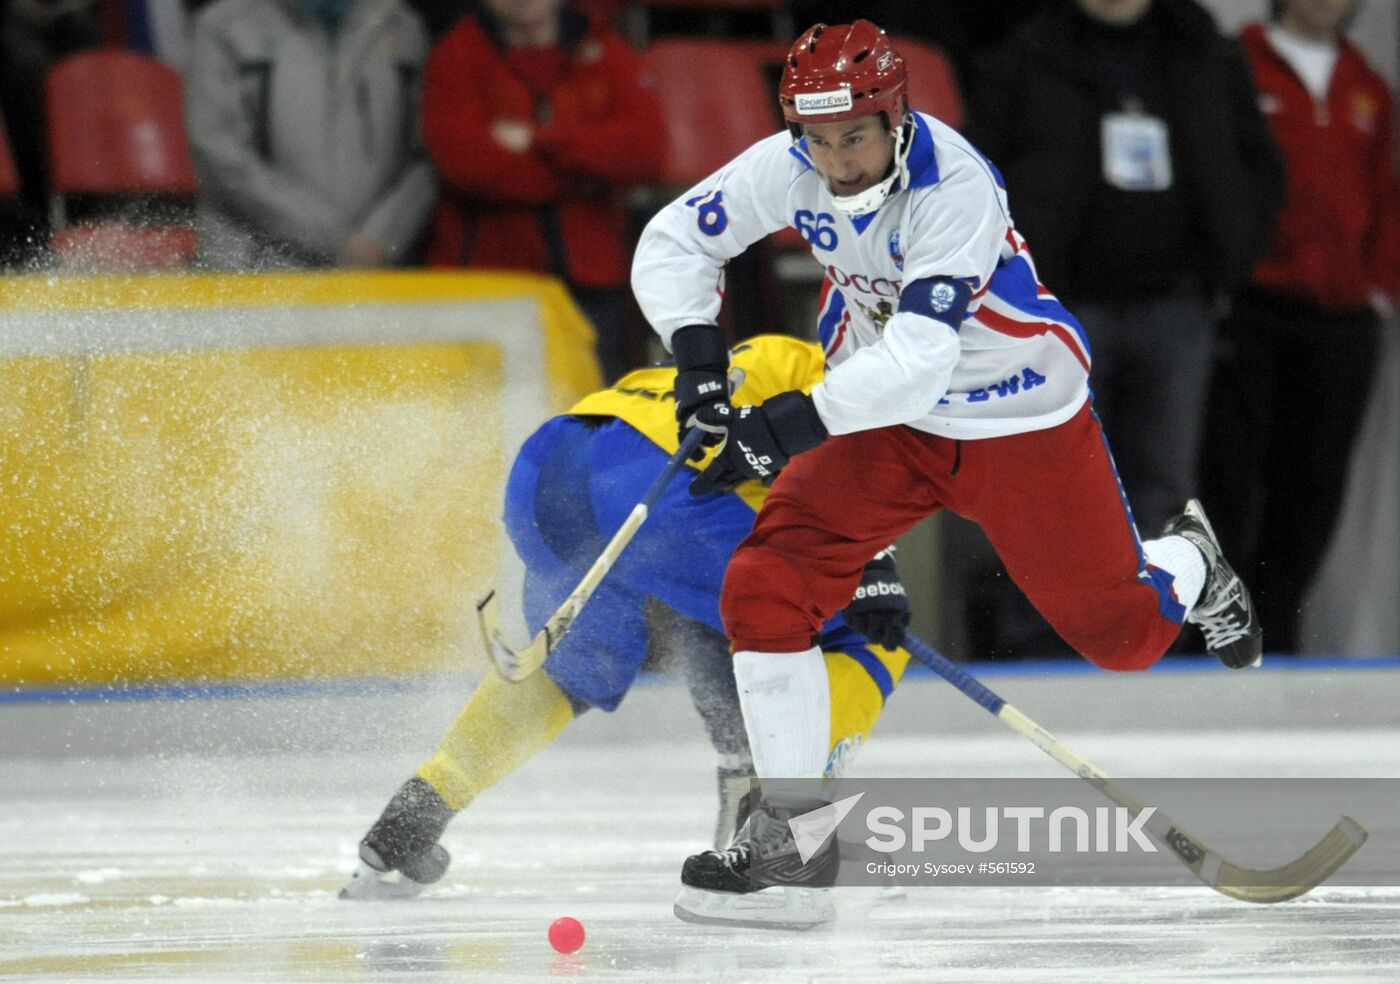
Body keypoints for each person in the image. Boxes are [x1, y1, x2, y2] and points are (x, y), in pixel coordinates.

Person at [630, 20, 1265, 928]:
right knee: (766, 584)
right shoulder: (792, 162)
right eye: (817, 139)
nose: (836, 161)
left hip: (1017, 419)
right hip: (886, 427)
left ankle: (1190, 559)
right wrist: (698, 366)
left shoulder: (954, 184)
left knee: (1124, 639)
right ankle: (794, 841)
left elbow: (921, 361)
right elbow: (673, 241)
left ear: (896, 119)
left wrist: (776, 431)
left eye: (855, 137)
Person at [340, 334, 915, 901]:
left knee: (569, 669)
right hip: (661, 481)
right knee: (859, 637)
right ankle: (785, 830)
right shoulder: (863, 377)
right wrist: (871, 569)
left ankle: (416, 814)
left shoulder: (764, 354)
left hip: (549, 469)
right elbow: (844, 476)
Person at [1198, 0, 1399, 654]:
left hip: (1341, 321)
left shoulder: (1367, 85)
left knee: (1312, 488)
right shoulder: (1238, 62)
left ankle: (1278, 641)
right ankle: (1214, 638)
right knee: (1228, 478)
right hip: (1253, 307)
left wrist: (1377, 287)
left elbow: (1384, 192)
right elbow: (1218, 170)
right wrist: (1225, 270)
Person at [420, 0, 663, 383]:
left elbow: (645, 152)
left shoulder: (605, 49)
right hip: (488, 283)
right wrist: (583, 175)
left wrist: (540, 140)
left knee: (596, 406)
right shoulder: (456, 53)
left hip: (592, 279)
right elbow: (466, 164)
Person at [183, 0, 435, 270]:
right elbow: (216, 150)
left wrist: (382, 236)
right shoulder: (225, 25)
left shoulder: (403, 26)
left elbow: (432, 152)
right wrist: (336, 240)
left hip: (375, 269)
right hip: (253, 269)